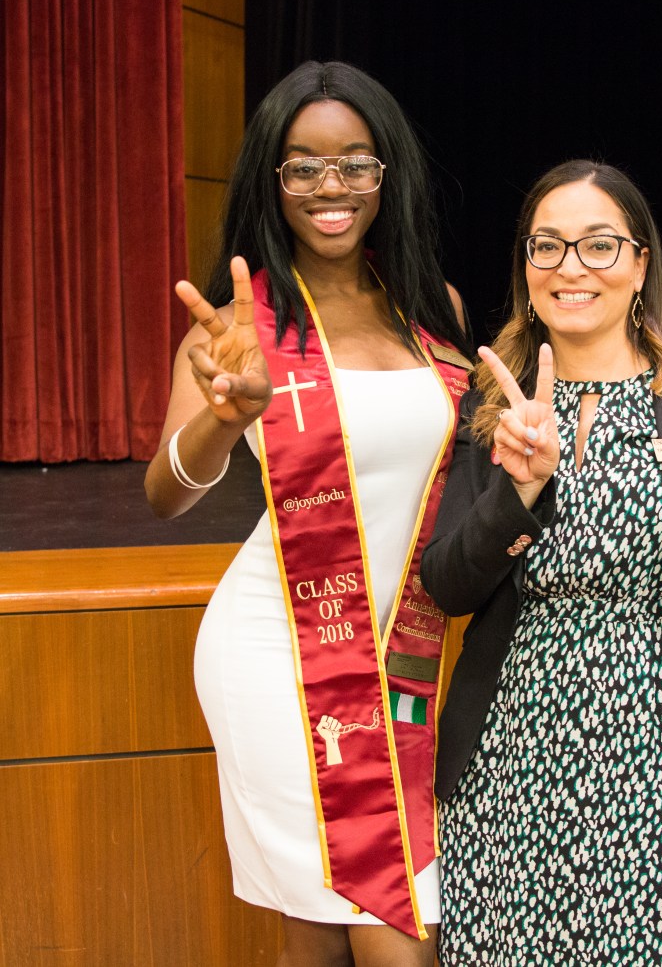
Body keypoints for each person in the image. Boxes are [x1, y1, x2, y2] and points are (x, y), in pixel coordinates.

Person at [421, 160, 662, 965]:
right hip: (514, 770)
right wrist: (519, 492)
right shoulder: (492, 406)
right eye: (547, 246)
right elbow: (446, 586)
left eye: (598, 244)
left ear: (640, 264)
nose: (572, 267)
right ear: (526, 268)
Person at [145, 61, 472, 967]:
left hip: (401, 656)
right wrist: (223, 419)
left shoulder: (431, 309)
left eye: (355, 163)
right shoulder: (236, 329)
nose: (332, 187)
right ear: (272, 178)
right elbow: (166, 492)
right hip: (278, 655)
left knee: (319, 934)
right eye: (304, 167)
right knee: (394, 930)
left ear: (386, 174)